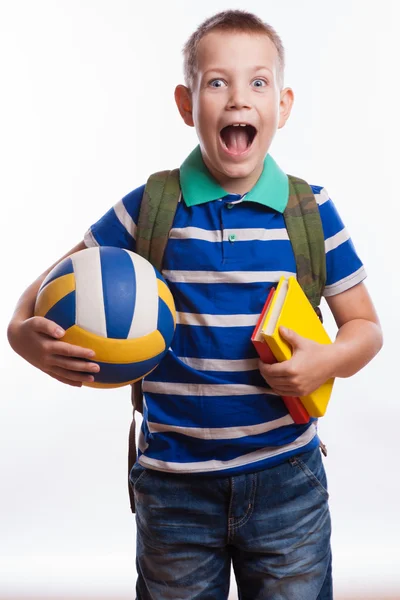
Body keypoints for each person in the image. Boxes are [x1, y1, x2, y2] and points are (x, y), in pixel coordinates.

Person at [7, 9, 383, 600]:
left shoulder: (309, 210)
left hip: (287, 477)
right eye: (217, 82)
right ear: (187, 105)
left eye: (258, 83)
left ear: (282, 106)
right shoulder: (150, 207)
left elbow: (365, 327)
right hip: (173, 485)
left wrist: (327, 361)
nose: (238, 99)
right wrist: (21, 333)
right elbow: (49, 285)